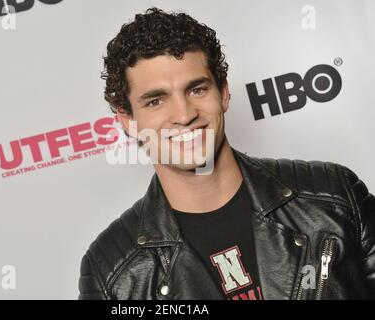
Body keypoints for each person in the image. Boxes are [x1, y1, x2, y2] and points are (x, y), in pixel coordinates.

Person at [78, 7, 375, 300]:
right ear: (128, 120)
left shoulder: (334, 197)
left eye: (197, 90)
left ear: (223, 94)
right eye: (156, 101)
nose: (183, 115)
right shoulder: (111, 272)